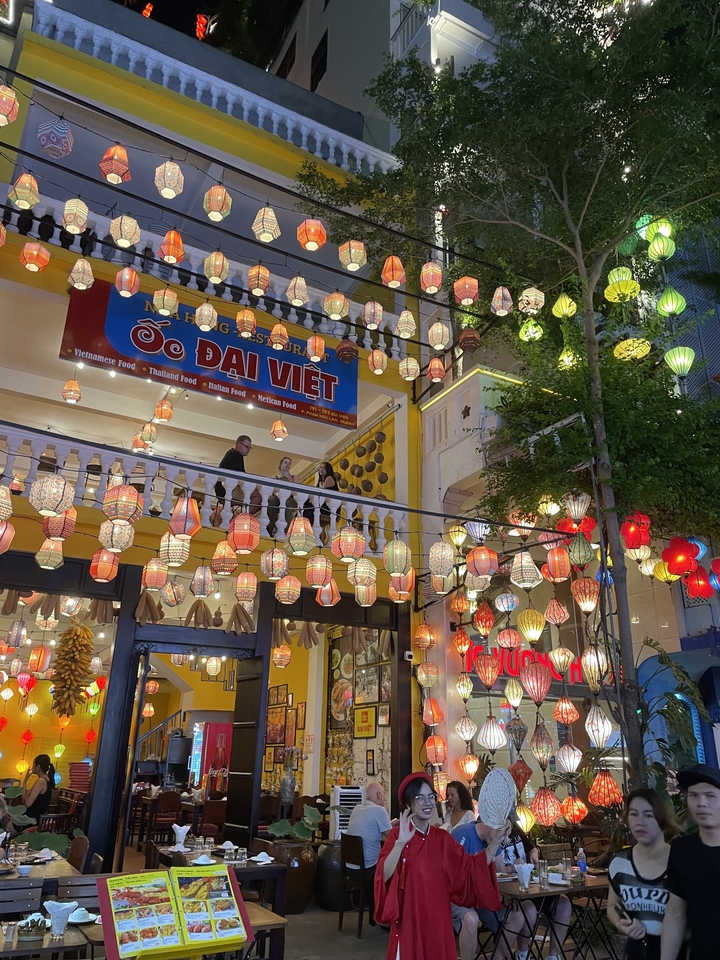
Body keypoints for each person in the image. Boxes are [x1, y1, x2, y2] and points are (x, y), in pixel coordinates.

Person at [375, 772, 502, 960]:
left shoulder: (442, 839)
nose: (427, 803)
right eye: (420, 798)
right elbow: (382, 876)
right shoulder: (397, 836)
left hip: (439, 917)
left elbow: (469, 867)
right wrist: (400, 844)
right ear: (409, 803)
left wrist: (495, 842)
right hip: (411, 918)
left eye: (431, 797)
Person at [608, 788, 677, 960]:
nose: (640, 822)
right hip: (638, 951)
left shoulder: (680, 861)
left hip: (676, 951)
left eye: (648, 815)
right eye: (633, 814)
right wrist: (621, 924)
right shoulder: (619, 864)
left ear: (662, 819)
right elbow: (612, 906)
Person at [661, 763, 720, 960]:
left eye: (710, 796)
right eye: (694, 795)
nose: (701, 802)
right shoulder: (682, 850)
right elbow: (675, 914)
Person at [346, 782, 392, 878]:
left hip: (350, 868)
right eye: (384, 794)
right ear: (379, 795)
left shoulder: (357, 809)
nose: (385, 799)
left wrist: (389, 824)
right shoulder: (379, 810)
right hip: (368, 869)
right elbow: (391, 837)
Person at [212, 435, 262, 521]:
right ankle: (241, 520)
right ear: (238, 444)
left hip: (223, 490)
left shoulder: (231, 453)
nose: (248, 450)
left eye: (250, 448)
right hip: (227, 490)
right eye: (246, 447)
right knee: (258, 497)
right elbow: (242, 477)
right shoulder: (236, 455)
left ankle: (241, 518)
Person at [267, 456, 298, 536]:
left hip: (290, 498)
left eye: (289, 463)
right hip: (278, 497)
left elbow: (296, 490)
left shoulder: (294, 477)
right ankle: (273, 524)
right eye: (285, 462)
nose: (288, 465)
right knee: (271, 500)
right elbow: (272, 490)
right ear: (281, 464)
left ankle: (286, 530)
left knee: (287, 503)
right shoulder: (275, 477)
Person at [22, 754, 55, 824]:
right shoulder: (45, 780)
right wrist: (25, 781)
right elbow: (23, 799)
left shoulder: (41, 781)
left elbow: (27, 803)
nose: (32, 767)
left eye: (33, 764)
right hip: (31, 817)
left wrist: (26, 797)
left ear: (38, 767)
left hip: (31, 819)